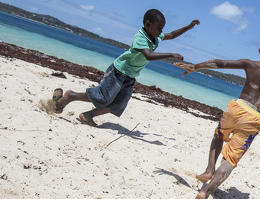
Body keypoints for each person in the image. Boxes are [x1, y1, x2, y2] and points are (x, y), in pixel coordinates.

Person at [174, 35, 260, 199]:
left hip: (237, 107)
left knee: (218, 135)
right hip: (254, 118)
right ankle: (205, 192)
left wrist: (196, 66)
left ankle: (209, 169)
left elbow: (221, 64)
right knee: (230, 160)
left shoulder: (250, 64)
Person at [52, 9, 199, 126]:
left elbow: (172, 35)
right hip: (119, 72)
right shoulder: (141, 37)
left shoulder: (154, 36)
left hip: (130, 75)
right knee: (103, 98)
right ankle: (70, 96)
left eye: (162, 28)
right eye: (158, 27)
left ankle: (88, 115)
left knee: (118, 104)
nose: (161, 31)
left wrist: (189, 26)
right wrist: (171, 54)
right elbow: (148, 55)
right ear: (148, 24)